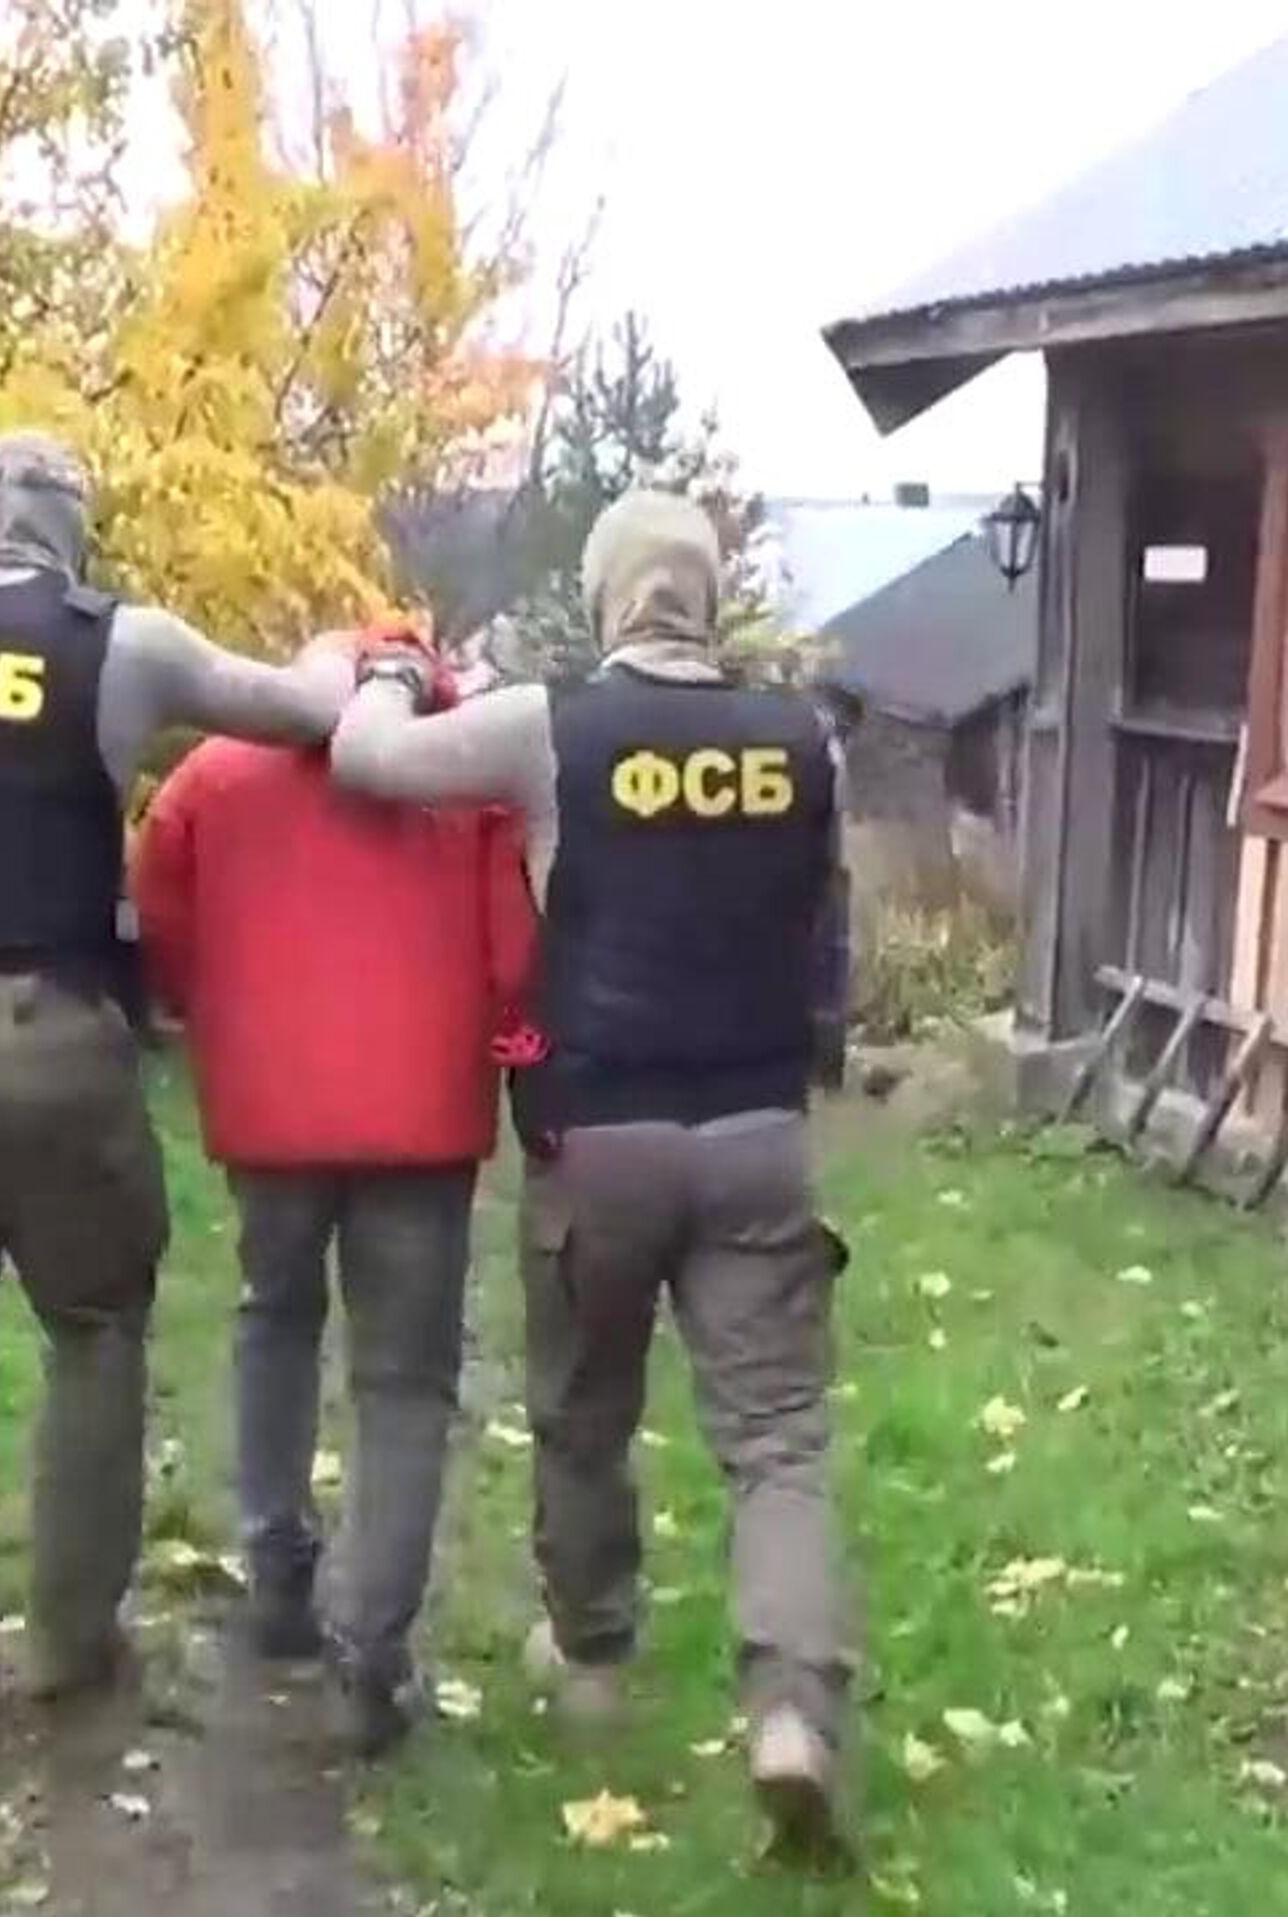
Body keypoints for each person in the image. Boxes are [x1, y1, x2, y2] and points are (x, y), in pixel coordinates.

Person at [0, 431, 350, 1775]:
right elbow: (301, 710)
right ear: (71, 527)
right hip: (61, 1039)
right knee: (95, 1332)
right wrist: (359, 661)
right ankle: (69, 1648)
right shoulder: (121, 643)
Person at [329, 492, 856, 1852]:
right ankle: (792, 1711)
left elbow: (369, 760)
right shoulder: (807, 741)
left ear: (608, 594)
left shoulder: (550, 728)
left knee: (581, 1410)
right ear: (711, 596)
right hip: (755, 1134)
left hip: (599, 1140)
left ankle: (593, 1658)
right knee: (778, 1441)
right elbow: (826, 925)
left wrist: (389, 671)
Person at [129, 632, 536, 1756]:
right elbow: (517, 954)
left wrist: (213, 1012)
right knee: (405, 1378)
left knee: (275, 1317)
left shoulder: (213, 774)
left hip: (268, 1109)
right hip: (424, 1115)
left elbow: (160, 917)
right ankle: (372, 1647)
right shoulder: (468, 777)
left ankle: (278, 1578)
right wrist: (508, 1040)